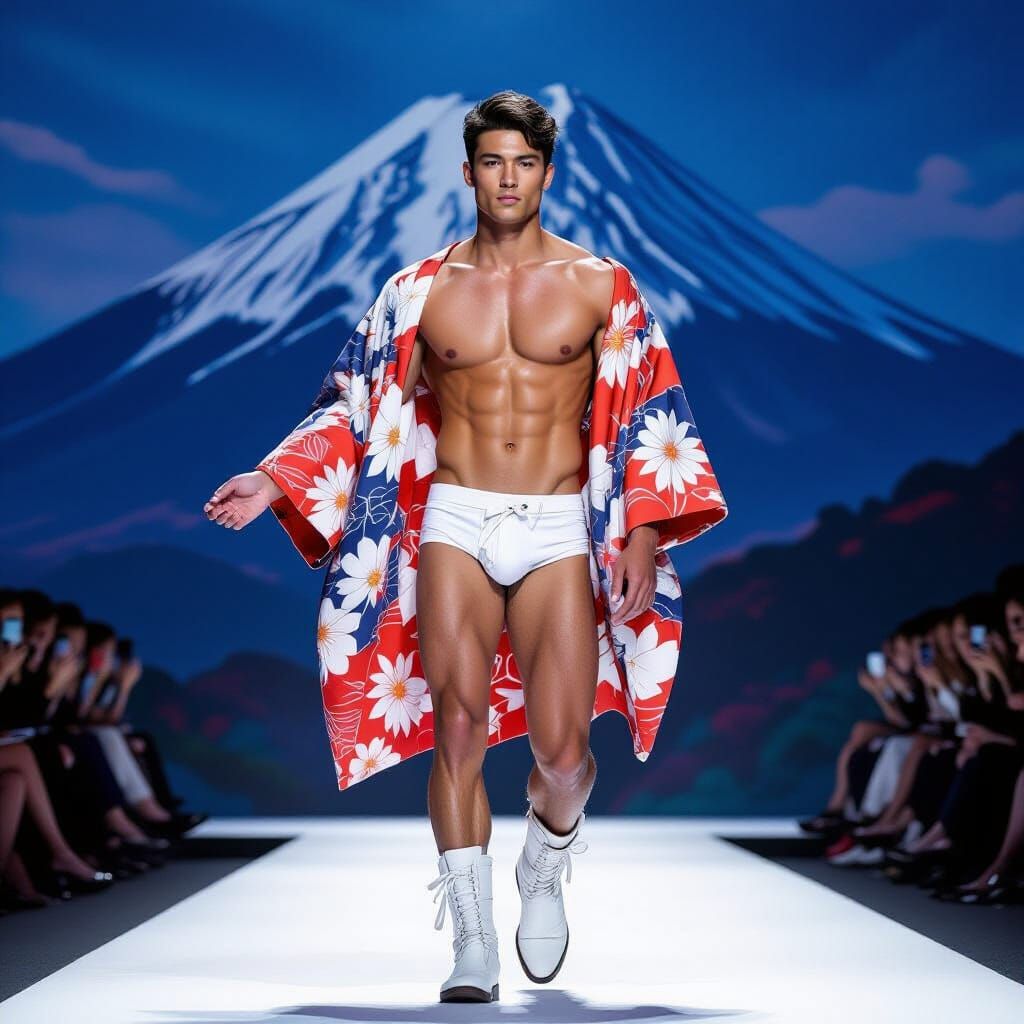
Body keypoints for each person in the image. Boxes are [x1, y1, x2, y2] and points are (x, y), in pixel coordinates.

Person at [204, 90, 728, 1003]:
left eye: (524, 163)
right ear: (469, 172)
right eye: (493, 162)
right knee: (458, 726)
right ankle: (473, 943)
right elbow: (359, 401)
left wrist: (644, 532)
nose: (508, 179)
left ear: (547, 173)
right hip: (452, 518)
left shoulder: (601, 285)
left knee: (563, 754)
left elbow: (649, 407)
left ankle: (545, 859)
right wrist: (276, 478)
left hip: (558, 525)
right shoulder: (418, 292)